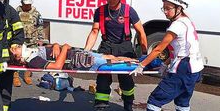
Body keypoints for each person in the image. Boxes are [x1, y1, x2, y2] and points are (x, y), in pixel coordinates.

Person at [130, 0, 204, 111]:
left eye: (168, 8)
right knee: (182, 102)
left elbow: (158, 49)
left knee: (154, 101)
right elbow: (180, 48)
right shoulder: (187, 22)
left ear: (179, 8)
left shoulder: (177, 24)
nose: (165, 12)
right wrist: (167, 64)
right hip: (195, 68)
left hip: (184, 69)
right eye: (163, 8)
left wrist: (142, 65)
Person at [84, 0, 148, 111]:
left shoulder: (129, 11)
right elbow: (94, 31)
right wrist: (86, 51)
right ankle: (100, 110)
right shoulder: (99, 12)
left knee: (126, 79)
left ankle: (128, 105)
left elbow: (141, 32)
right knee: (103, 79)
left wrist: (144, 55)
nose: (110, 0)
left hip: (125, 47)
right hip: (106, 46)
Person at [9, 43, 139, 70]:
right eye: (14, 50)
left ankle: (139, 61)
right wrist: (64, 48)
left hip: (78, 53)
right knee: (110, 61)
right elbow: (57, 66)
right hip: (78, 60)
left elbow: (50, 46)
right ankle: (138, 65)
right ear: (18, 58)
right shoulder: (32, 60)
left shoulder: (33, 50)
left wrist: (55, 45)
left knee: (110, 56)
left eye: (15, 47)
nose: (16, 47)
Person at [13, 0, 45, 87]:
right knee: (17, 58)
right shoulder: (16, 12)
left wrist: (40, 39)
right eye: (25, 4)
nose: (27, 6)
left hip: (32, 40)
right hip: (19, 39)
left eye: (29, 4)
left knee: (31, 57)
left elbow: (40, 26)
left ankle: (27, 76)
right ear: (22, 3)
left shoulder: (36, 13)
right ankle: (15, 77)